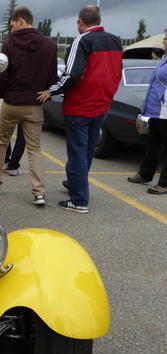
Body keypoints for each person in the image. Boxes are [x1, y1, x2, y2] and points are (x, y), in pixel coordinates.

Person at [37, 5, 122, 213]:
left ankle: (79, 200)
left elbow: (71, 74)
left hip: (80, 106)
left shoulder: (82, 40)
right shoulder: (115, 41)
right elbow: (116, 72)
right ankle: (77, 184)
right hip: (102, 105)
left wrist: (52, 90)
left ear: (81, 22)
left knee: (76, 153)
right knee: (87, 151)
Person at [0, 6, 57, 206]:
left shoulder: (11, 43)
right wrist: (49, 92)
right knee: (34, 149)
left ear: (21, 20)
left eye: (12, 24)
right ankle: (39, 192)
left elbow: (2, 72)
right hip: (34, 104)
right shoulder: (50, 45)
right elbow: (53, 76)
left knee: (1, 143)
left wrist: (3, 91)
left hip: (12, 103)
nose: (11, 28)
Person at [127, 29, 167, 195]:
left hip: (166, 111)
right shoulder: (164, 60)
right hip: (156, 111)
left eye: (166, 38)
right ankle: (145, 174)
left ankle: (164, 183)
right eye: (165, 38)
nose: (164, 41)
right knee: (153, 144)